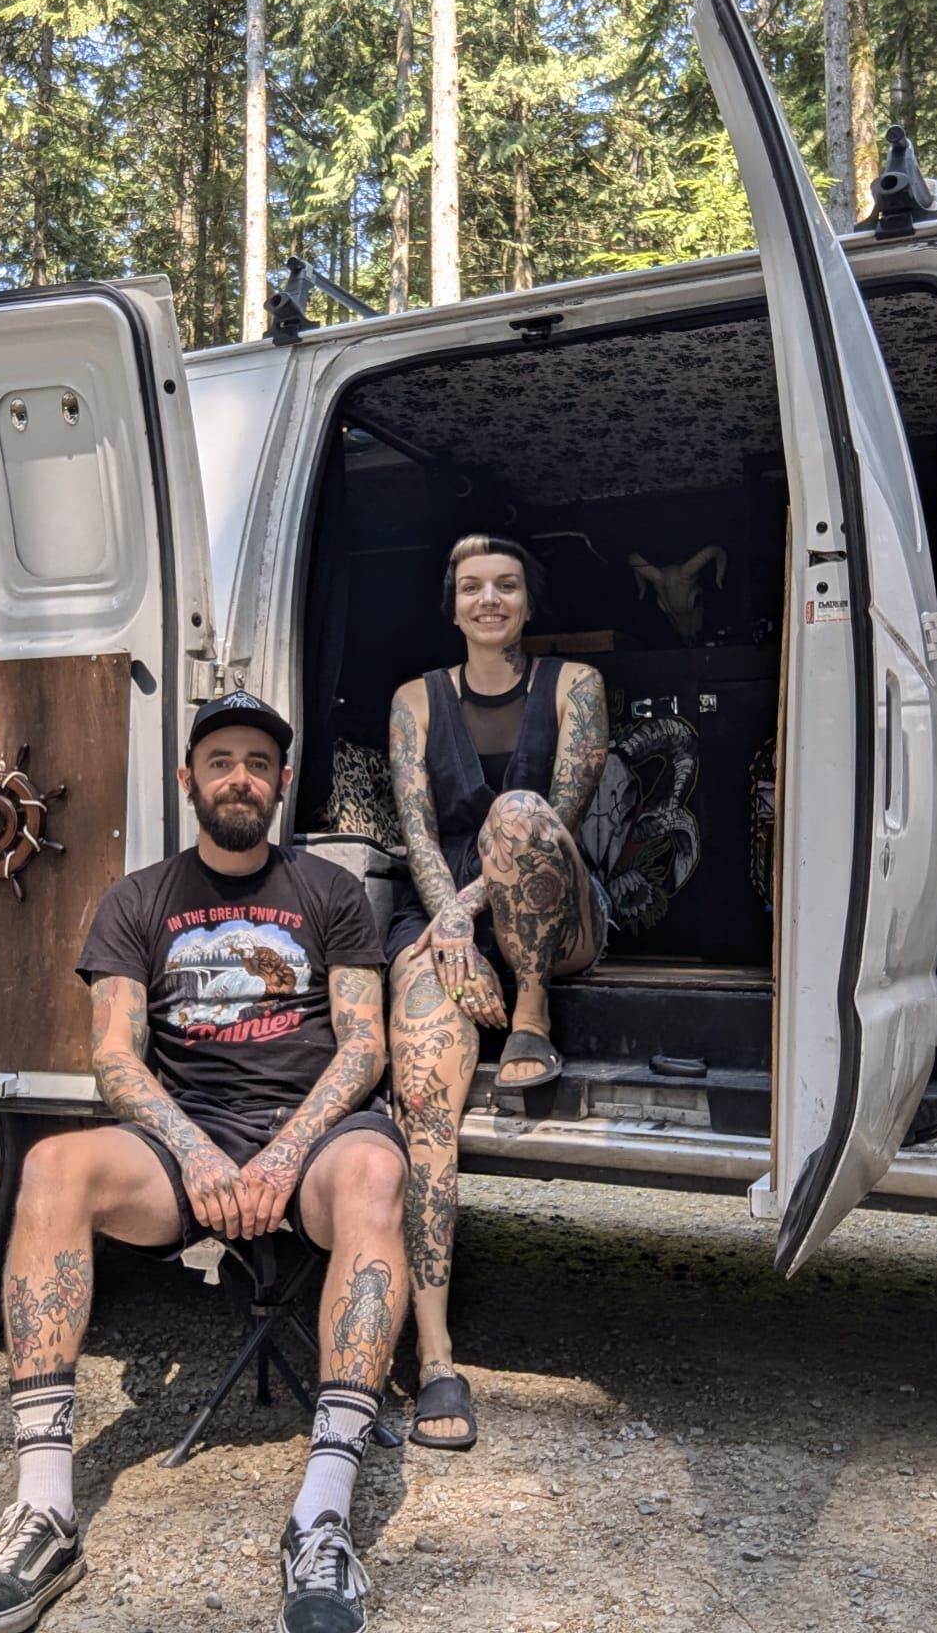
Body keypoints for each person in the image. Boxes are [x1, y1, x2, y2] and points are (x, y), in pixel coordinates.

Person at [0, 692, 409, 1633]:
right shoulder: (139, 900)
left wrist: (283, 1155)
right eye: (220, 760)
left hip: (308, 1135)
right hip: (181, 1136)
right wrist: (197, 1154)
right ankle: (44, 1507)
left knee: (372, 1173)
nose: (240, 776)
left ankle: (321, 1518)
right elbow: (115, 1053)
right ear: (187, 780)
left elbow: (364, 1048)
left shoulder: (328, 894)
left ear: (282, 783)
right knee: (51, 1172)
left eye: (258, 762)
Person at [386, 535, 609, 1451]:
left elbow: (562, 818)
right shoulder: (413, 701)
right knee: (428, 1098)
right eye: (472, 587)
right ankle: (436, 1358)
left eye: (506, 586)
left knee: (517, 818)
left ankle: (531, 1004)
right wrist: (444, 929)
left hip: (552, 915)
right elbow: (415, 833)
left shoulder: (574, 687)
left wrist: (468, 921)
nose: (489, 600)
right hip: (444, 920)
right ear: (453, 603)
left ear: (528, 601)